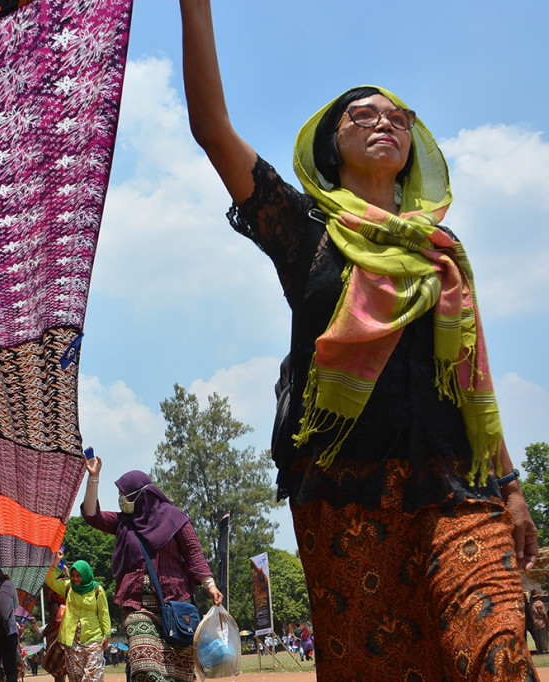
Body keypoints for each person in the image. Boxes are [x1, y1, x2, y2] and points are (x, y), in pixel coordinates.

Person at [177, 2, 540, 679]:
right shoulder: (303, 230)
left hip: (458, 488)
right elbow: (212, 130)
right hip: (344, 500)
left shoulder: (443, 252)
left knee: (495, 655)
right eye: (362, 116)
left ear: (413, 151)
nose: (383, 123)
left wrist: (512, 486)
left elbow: (471, 376)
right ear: (330, 145)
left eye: (398, 118)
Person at [81, 458, 224, 682]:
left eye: (125, 495)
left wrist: (210, 585)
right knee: (145, 669)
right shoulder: (122, 523)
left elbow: (194, 553)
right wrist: (93, 478)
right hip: (137, 607)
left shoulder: (176, 519)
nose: (121, 500)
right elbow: (92, 516)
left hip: (176, 608)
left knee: (179, 675)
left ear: (141, 495)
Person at [45, 556, 112, 682]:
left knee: (93, 676)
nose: (75, 579)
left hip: (94, 638)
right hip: (72, 640)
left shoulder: (97, 590)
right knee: (76, 677)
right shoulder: (68, 587)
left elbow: (104, 613)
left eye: (79, 575)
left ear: (86, 574)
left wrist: (106, 634)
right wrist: (56, 562)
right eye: (73, 575)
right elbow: (49, 580)